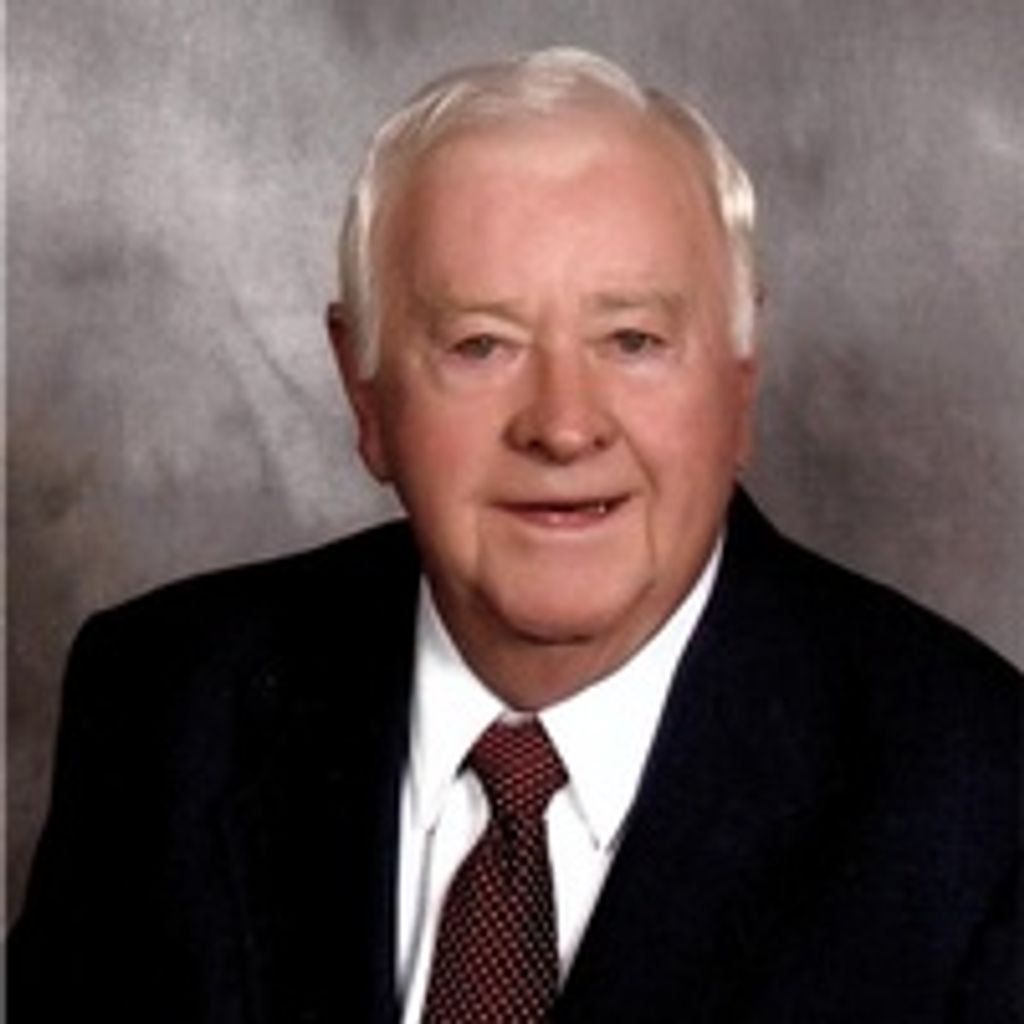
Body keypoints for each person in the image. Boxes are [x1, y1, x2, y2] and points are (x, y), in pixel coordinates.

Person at [9, 47, 1020, 1023]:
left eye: (632, 340)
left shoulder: (977, 793)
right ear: (364, 389)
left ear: (739, 381)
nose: (563, 426)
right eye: (481, 344)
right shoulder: (166, 701)